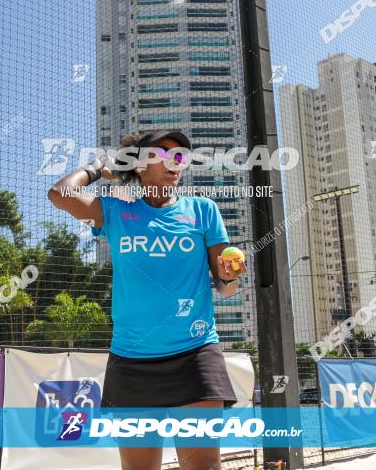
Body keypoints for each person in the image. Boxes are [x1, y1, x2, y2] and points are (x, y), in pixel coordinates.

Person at [47, 130, 246, 470]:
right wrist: (100, 166)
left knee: (203, 467)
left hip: (195, 354)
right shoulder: (116, 212)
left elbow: (226, 289)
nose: (175, 163)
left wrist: (229, 277)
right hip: (131, 360)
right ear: (137, 165)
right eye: (162, 155)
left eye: (180, 157)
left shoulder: (203, 210)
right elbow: (60, 194)